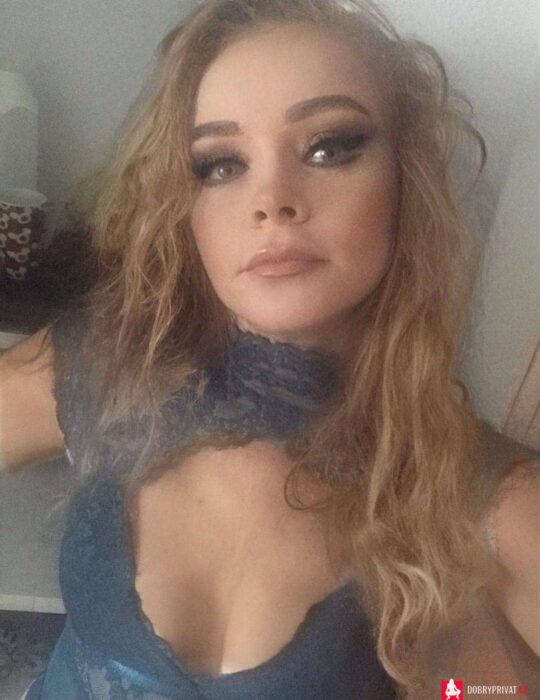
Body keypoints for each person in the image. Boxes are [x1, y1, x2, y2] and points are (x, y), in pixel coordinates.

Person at [0, 0, 538, 698]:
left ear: (405, 180)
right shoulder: (104, 367)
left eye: (328, 148)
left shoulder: (484, 499)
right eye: (221, 164)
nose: (271, 200)